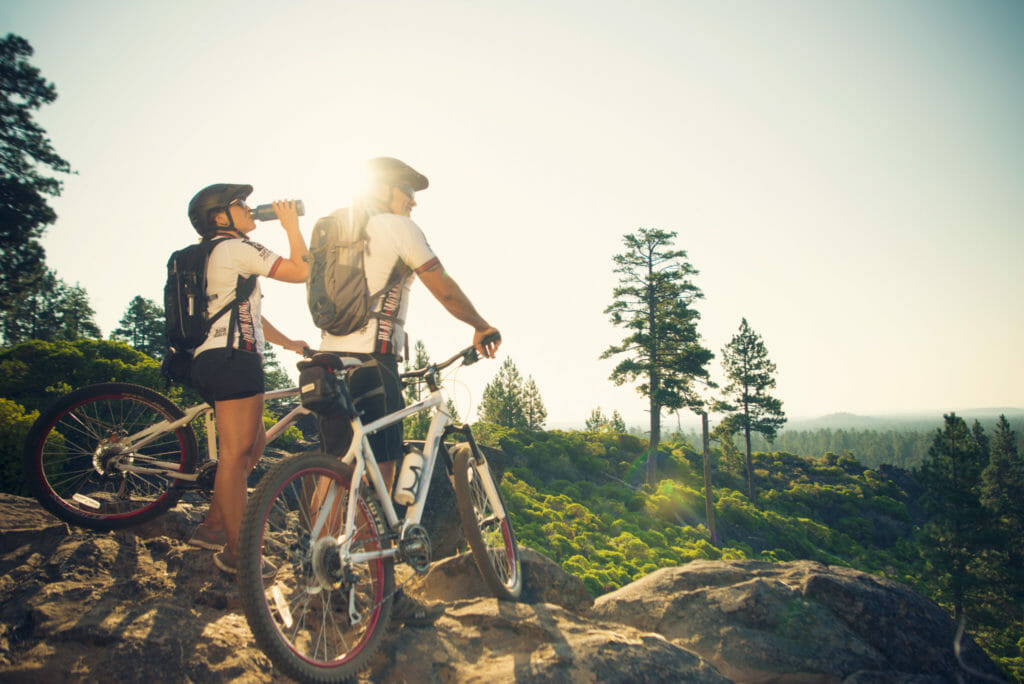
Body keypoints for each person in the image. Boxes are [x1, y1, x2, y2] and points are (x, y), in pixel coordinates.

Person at [317, 157, 501, 491]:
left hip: (326, 360)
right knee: (382, 463)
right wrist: (481, 325)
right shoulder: (399, 227)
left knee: (334, 466)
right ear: (382, 190)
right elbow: (443, 289)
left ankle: (318, 543)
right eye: (407, 191)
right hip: (374, 359)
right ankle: (369, 543)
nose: (413, 200)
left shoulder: (335, 230)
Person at [183, 183, 310, 577]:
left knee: (251, 448)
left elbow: (244, 313)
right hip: (234, 358)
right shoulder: (237, 248)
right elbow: (302, 270)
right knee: (237, 455)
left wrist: (288, 342)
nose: (250, 208)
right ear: (220, 217)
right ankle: (238, 552)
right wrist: (290, 225)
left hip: (215, 357)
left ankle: (212, 527)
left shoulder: (215, 255)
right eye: (240, 204)